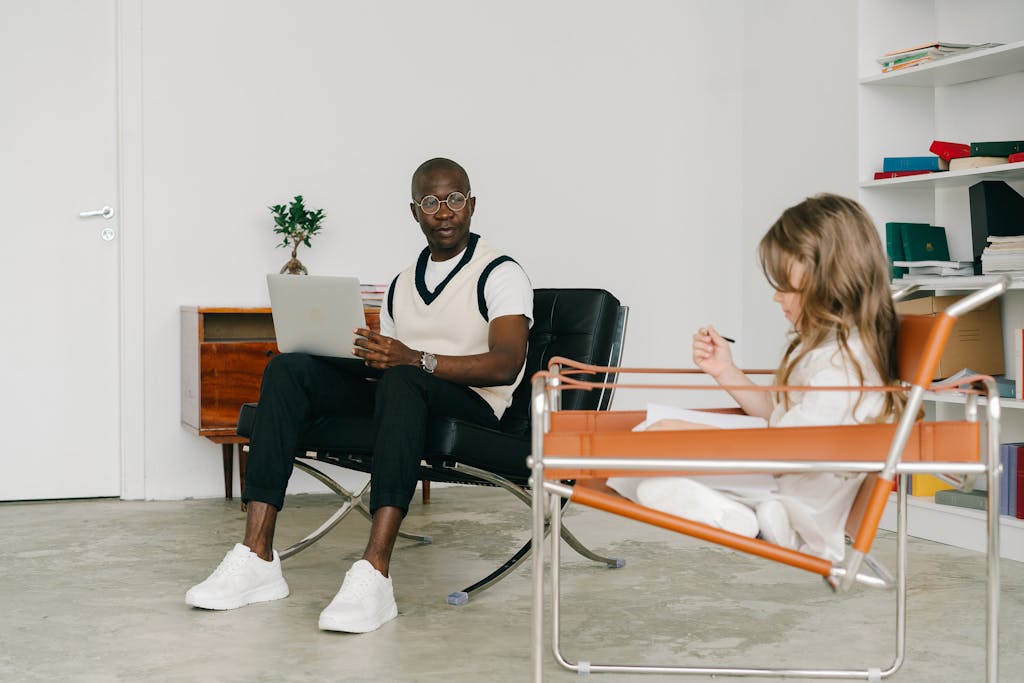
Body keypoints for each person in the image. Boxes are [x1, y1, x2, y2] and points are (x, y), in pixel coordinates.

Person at [185, 158, 533, 633]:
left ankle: (374, 572)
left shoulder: (500, 271)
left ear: (471, 204)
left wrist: (414, 359)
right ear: (415, 213)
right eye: (431, 202)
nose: (445, 212)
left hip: (473, 407)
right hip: (406, 394)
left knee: (404, 377)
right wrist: (363, 360)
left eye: (455, 199)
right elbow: (393, 368)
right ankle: (257, 556)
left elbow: (507, 362)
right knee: (290, 368)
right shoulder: (401, 283)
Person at [608, 193, 903, 561]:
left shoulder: (843, 368)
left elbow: (787, 449)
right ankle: (745, 516)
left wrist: (690, 437)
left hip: (792, 491)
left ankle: (754, 521)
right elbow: (776, 415)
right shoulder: (826, 348)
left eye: (786, 286)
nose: (777, 298)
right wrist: (726, 372)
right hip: (776, 473)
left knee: (647, 468)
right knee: (643, 453)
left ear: (829, 281)